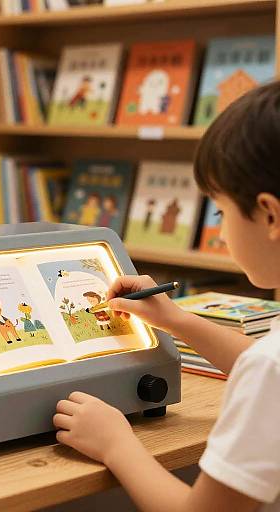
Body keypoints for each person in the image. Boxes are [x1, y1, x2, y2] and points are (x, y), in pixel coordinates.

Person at [54, 81, 280, 511]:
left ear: (269, 214)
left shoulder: (269, 369)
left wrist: (116, 444)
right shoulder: (269, 363)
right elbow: (264, 364)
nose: (220, 228)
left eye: (220, 210)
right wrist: (176, 320)